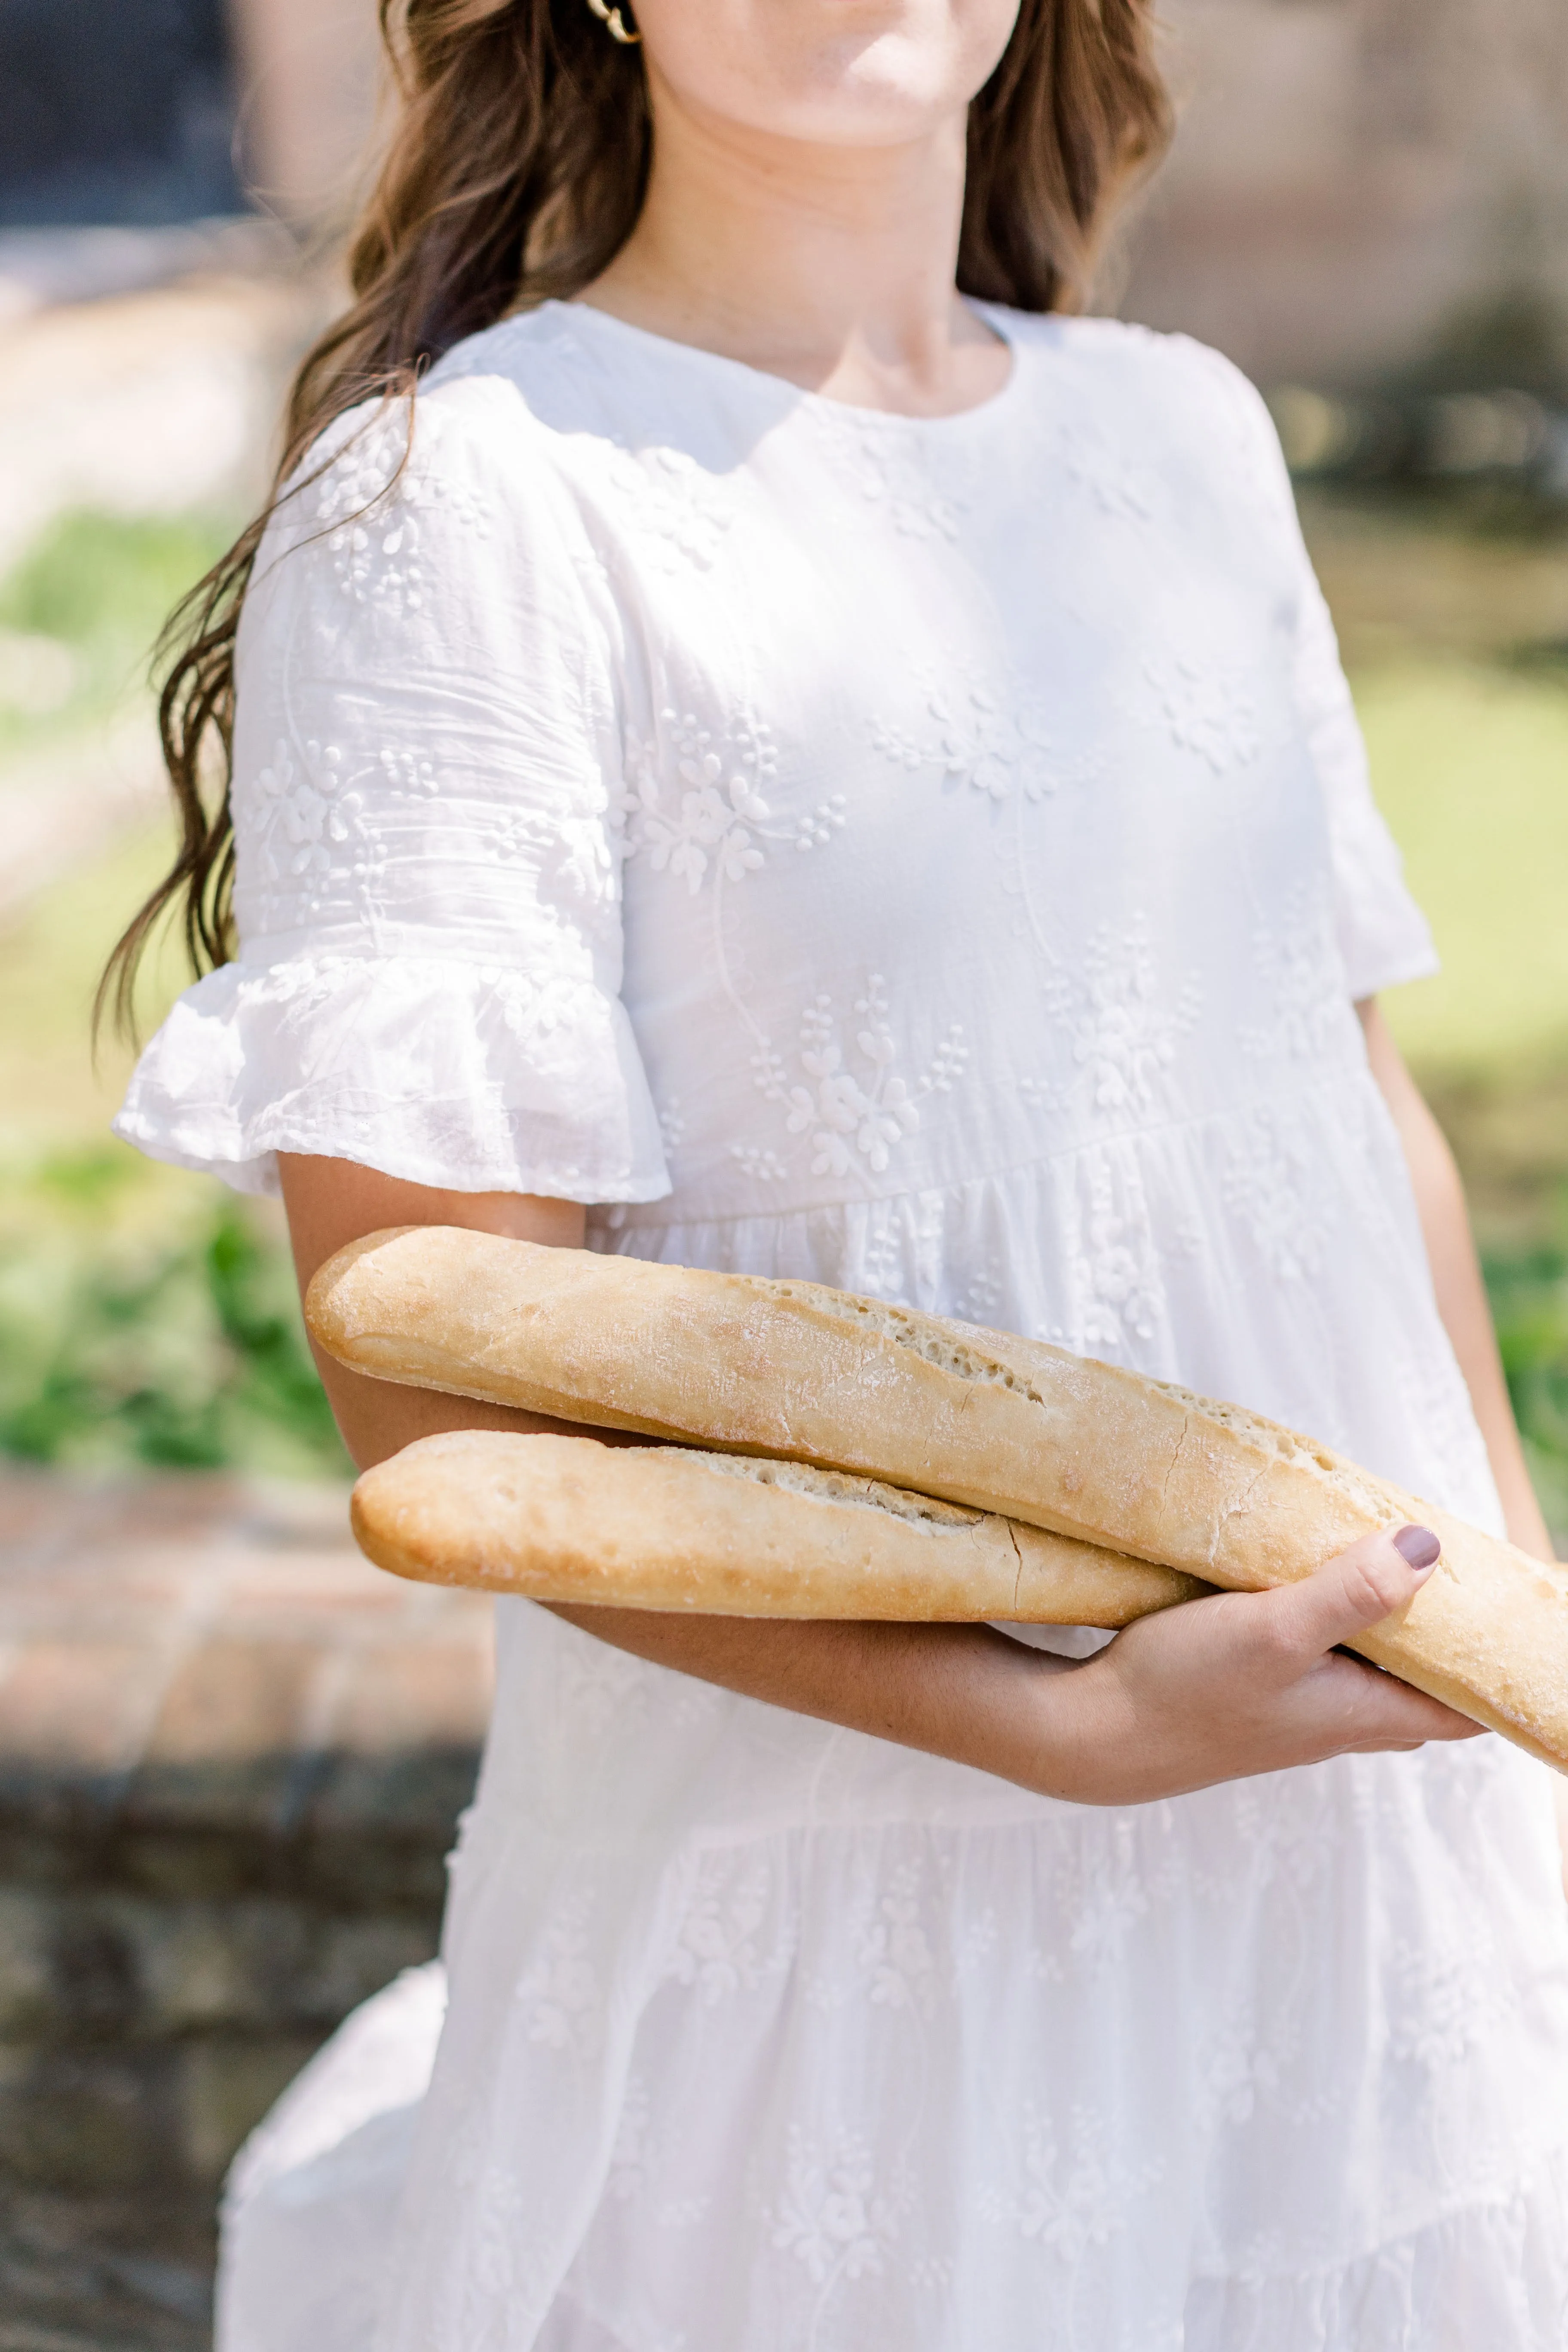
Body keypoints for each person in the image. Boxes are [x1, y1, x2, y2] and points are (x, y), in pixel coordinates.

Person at [107, 1, 1568, 2345]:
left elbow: (1351, 1114)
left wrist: (1512, 1637)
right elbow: (445, 1409)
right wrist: (1065, 1728)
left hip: (1373, 1837)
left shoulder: (1180, 434)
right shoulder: (468, 506)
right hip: (859, 1929)